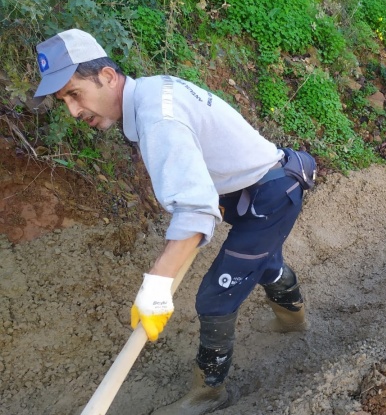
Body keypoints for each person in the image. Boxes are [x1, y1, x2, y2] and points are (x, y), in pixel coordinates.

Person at [33, 29, 316, 415]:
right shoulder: (151, 93)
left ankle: (209, 392)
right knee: (260, 260)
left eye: (74, 93)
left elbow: (196, 210)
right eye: (62, 100)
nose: (72, 110)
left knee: (215, 296)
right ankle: (293, 319)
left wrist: (157, 283)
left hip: (271, 191)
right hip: (251, 186)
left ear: (107, 76)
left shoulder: (157, 116)